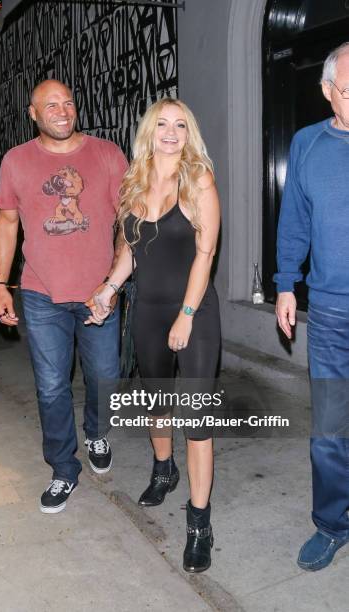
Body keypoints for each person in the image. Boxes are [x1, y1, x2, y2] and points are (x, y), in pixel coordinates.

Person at [86, 98, 221, 572]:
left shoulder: (199, 180)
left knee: (197, 418)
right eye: (162, 124)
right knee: (156, 402)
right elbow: (129, 252)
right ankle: (164, 468)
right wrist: (107, 290)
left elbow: (205, 255)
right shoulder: (133, 183)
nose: (170, 132)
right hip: (146, 310)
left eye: (180, 125)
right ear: (149, 131)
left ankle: (199, 522)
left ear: (189, 133)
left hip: (194, 311)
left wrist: (186, 314)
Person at [0, 79, 128, 513]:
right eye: (50, 105)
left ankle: (96, 431)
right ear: (33, 113)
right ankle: (63, 469)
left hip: (99, 293)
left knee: (104, 379)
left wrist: (113, 283)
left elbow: (130, 222)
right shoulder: (16, 161)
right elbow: (7, 223)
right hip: (39, 292)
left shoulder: (107, 154)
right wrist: (0, 284)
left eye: (68, 101)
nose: (62, 110)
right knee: (51, 388)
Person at [275, 42, 349, 571]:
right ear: (327, 92)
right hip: (330, 315)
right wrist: (284, 284)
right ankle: (332, 523)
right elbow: (295, 221)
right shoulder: (307, 144)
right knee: (331, 428)